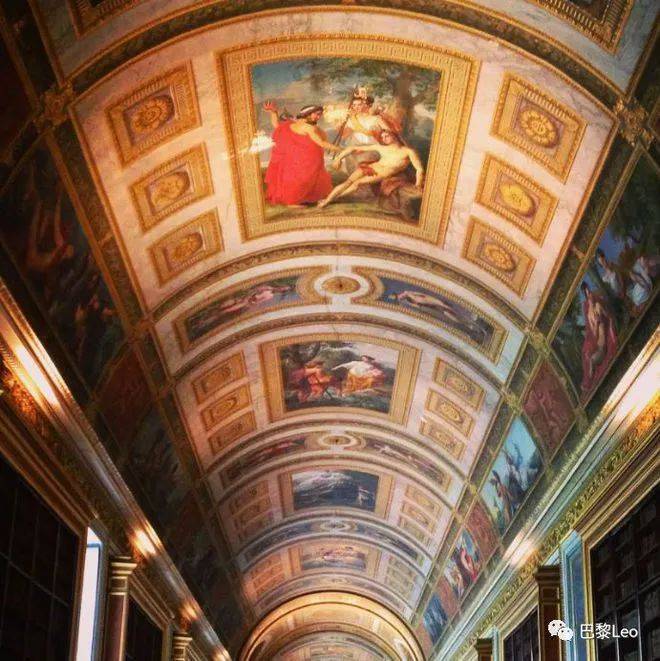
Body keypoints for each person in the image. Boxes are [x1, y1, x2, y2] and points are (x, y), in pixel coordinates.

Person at [317, 129, 424, 208]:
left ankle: (330, 200)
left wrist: (418, 184)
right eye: (382, 137)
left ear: (394, 135)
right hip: (370, 168)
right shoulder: (381, 147)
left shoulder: (408, 151)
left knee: (357, 183)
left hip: (381, 173)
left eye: (387, 136)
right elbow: (353, 148)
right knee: (348, 182)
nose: (384, 139)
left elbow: (419, 169)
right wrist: (339, 158)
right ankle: (327, 200)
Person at [262, 101, 340, 206]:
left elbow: (277, 125)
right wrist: (340, 149)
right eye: (316, 114)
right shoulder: (308, 127)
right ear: (308, 114)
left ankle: (304, 198)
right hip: (303, 159)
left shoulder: (294, 123)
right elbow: (321, 143)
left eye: (320, 115)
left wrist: (273, 112)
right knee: (302, 179)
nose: (318, 117)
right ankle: (292, 202)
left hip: (304, 158)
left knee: (310, 179)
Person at [580, 282, 618, 394]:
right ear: (587, 298)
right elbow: (594, 333)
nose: (590, 295)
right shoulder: (589, 314)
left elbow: (608, 316)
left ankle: (590, 384)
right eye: (588, 294)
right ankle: (590, 384)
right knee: (587, 357)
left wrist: (608, 323)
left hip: (602, 346)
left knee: (591, 361)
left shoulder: (598, 306)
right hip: (597, 344)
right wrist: (596, 324)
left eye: (590, 292)